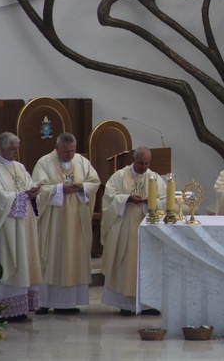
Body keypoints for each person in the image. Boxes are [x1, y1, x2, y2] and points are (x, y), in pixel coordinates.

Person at [32, 132, 101, 314]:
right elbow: (38, 189)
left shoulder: (81, 162)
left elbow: (94, 181)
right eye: (66, 152)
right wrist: (60, 188)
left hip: (77, 220)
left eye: (72, 151)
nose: (70, 155)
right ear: (57, 149)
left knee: (73, 257)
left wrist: (82, 187)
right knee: (52, 256)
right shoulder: (44, 163)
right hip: (54, 222)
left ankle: (69, 304)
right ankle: (45, 302)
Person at [0, 132, 42, 322]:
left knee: (24, 261)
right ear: (2, 148)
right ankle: (4, 308)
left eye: (17, 149)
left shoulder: (20, 167)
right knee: (8, 263)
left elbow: (28, 185)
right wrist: (22, 195)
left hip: (23, 225)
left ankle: (21, 307)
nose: (16, 152)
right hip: (6, 228)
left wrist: (33, 192)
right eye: (13, 149)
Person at [100, 146, 165, 316]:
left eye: (147, 163)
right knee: (125, 264)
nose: (144, 167)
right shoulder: (120, 176)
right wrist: (127, 198)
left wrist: (150, 202)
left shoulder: (155, 178)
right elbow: (108, 198)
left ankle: (147, 303)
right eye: (141, 163)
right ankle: (125, 305)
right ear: (133, 160)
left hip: (148, 230)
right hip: (125, 229)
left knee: (147, 264)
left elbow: (165, 200)